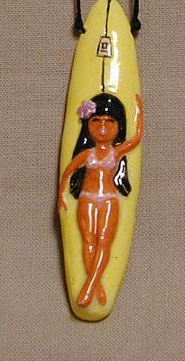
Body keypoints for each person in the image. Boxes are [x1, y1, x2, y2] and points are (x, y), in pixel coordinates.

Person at [58, 92, 143, 307]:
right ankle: (97, 286)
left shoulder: (116, 152)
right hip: (87, 198)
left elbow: (137, 137)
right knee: (88, 240)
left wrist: (139, 111)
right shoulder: (87, 154)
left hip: (109, 199)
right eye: (96, 120)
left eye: (109, 121)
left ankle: (89, 286)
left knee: (104, 241)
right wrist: (61, 197)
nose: (102, 126)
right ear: (88, 125)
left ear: (118, 126)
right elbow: (68, 171)